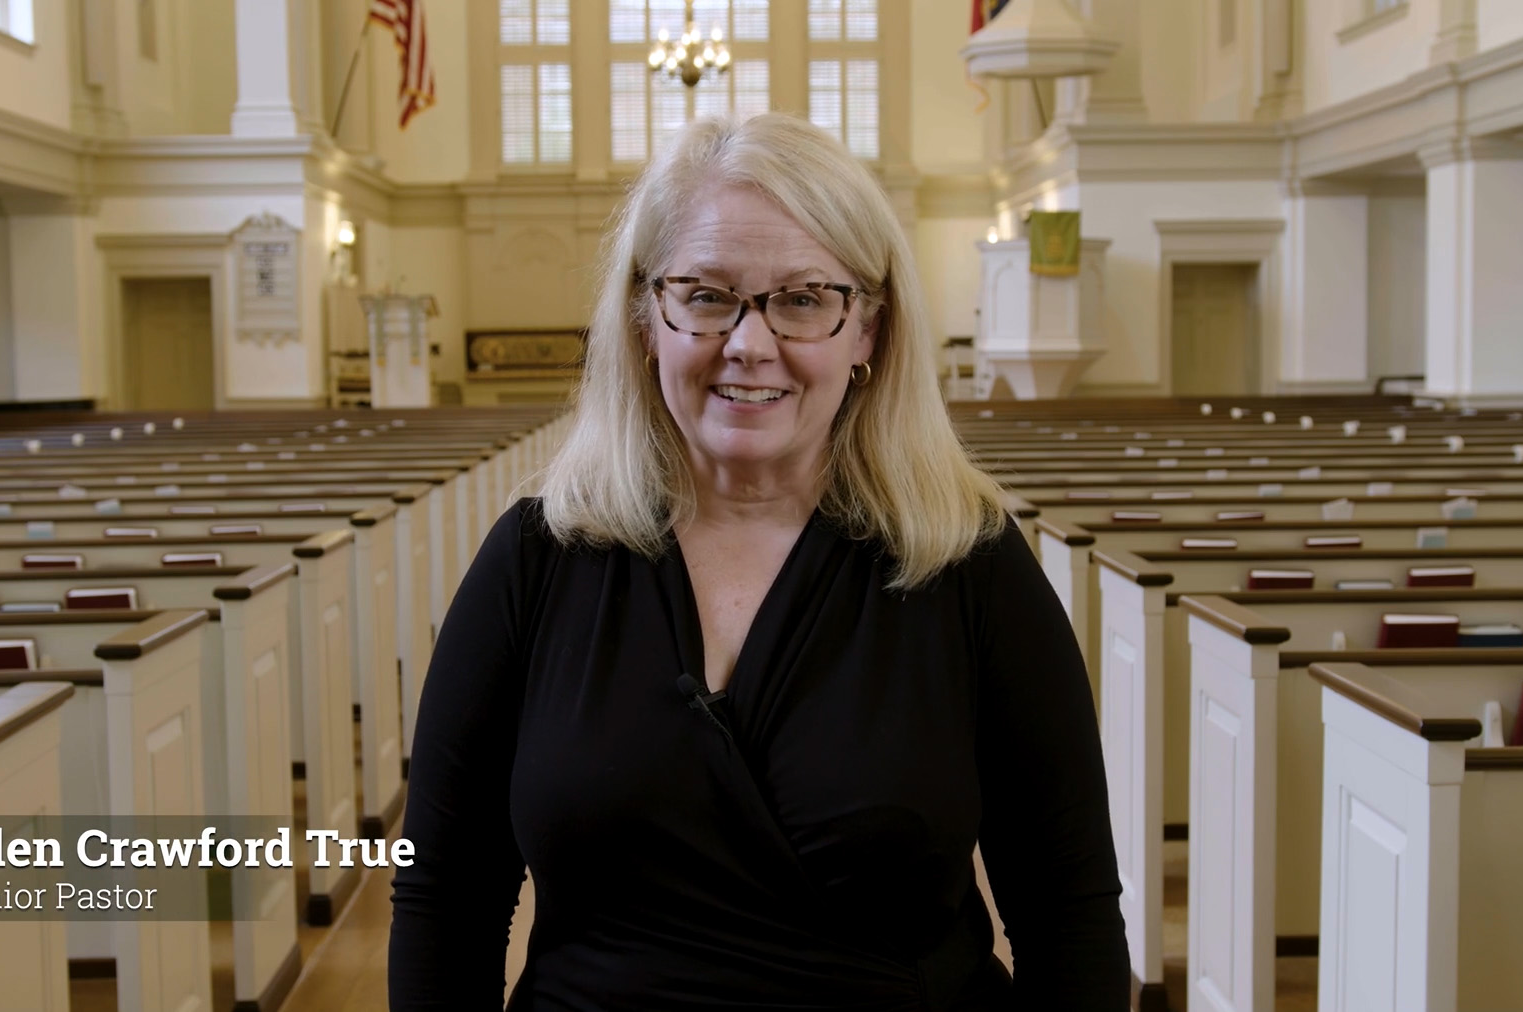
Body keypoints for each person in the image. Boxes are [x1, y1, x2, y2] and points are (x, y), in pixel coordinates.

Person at [388, 112, 1127, 1010]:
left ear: (868, 332)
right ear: (645, 317)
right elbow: (446, 901)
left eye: (805, 298)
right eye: (706, 294)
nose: (750, 342)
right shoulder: (535, 562)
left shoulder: (969, 563)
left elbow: (1067, 910)